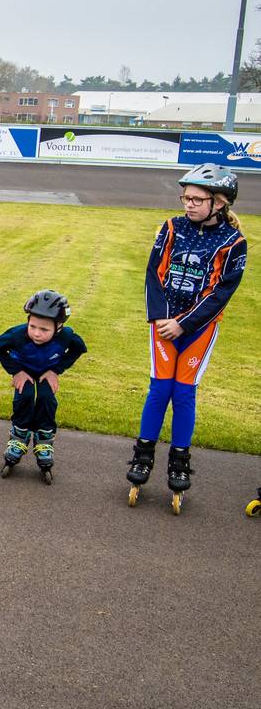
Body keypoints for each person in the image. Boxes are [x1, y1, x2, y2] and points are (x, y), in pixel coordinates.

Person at [128, 163, 247, 512]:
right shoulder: (171, 227)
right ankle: (143, 455)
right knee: (159, 388)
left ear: (221, 202)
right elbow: (154, 272)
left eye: (197, 199)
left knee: (183, 392)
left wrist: (185, 324)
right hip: (164, 323)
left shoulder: (233, 242)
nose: (189, 204)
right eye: (186, 197)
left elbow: (221, 291)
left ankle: (179, 459)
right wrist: (164, 319)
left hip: (198, 328)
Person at [0, 290, 87, 484]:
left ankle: (44, 438)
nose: (36, 333)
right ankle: (20, 434)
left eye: (44, 329)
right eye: (32, 326)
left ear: (59, 327)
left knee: (46, 397)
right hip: (24, 370)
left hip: (46, 372)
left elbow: (78, 350)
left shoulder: (66, 337)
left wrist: (56, 370)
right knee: (24, 396)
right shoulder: (17, 335)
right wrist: (16, 371)